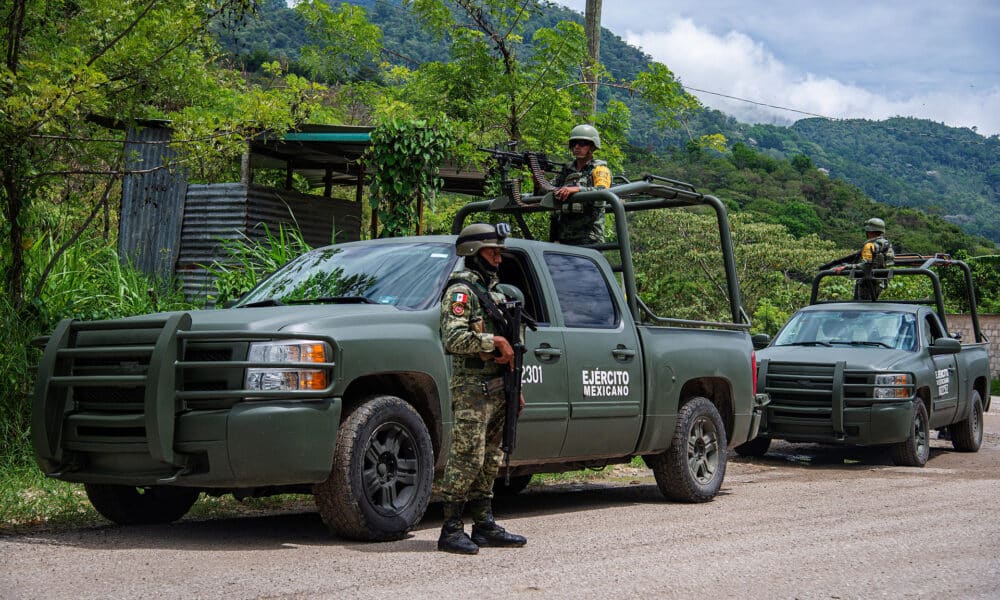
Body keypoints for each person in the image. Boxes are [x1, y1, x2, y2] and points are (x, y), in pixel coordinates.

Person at [436, 222, 527, 555]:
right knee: (467, 457)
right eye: (492, 252)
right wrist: (493, 341)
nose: (498, 259)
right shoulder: (461, 292)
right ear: (474, 252)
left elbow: (514, 348)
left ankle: (484, 525)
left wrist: (514, 389)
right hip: (472, 387)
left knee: (491, 458)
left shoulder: (497, 293)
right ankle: (450, 529)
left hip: (499, 387)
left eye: (500, 252)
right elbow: (453, 338)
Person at [550, 124, 612, 245]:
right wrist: (537, 179)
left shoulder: (599, 169)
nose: (577, 147)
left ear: (592, 147)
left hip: (589, 237)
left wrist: (577, 189)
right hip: (563, 236)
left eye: (582, 143)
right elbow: (548, 190)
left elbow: (602, 192)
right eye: (574, 144)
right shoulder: (567, 170)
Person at [834, 217, 895, 301]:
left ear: (869, 232)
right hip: (880, 280)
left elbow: (866, 264)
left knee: (862, 306)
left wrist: (847, 267)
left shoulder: (870, 245)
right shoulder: (886, 244)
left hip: (867, 281)